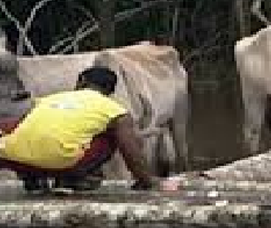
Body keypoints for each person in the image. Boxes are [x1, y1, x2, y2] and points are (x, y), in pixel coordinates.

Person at [0, 66, 161, 194]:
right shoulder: (114, 110)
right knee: (113, 135)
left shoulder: (48, 99)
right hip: (62, 163)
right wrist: (146, 180)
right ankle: (72, 179)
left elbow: (17, 124)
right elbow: (130, 149)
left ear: (81, 81)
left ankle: (34, 179)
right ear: (110, 92)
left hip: (15, 160)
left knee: (24, 130)